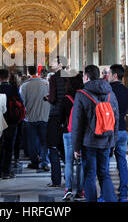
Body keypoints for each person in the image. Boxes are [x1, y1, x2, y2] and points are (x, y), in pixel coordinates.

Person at [71, 65, 120, 202]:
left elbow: (77, 123)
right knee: (105, 174)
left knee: (90, 175)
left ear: (86, 76)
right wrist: (113, 141)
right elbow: (116, 118)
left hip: (89, 142)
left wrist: (75, 147)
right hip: (106, 140)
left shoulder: (81, 94)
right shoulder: (110, 93)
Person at [59, 72, 85, 201]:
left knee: (68, 162)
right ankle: (80, 190)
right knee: (80, 163)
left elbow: (60, 118)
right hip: (82, 133)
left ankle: (68, 188)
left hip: (68, 133)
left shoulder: (65, 99)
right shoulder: (85, 96)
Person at [19, 65, 50, 171]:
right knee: (44, 141)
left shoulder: (25, 86)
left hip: (30, 117)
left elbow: (22, 102)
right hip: (44, 116)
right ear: (37, 72)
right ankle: (45, 162)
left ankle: (35, 162)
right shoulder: (46, 83)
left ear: (28, 72)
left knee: (32, 142)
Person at [107, 64, 128, 202]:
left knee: (104, 164)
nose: (108, 75)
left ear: (115, 75)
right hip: (122, 129)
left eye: (109, 73)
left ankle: (106, 194)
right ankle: (124, 194)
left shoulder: (109, 90)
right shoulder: (127, 91)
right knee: (122, 162)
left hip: (110, 130)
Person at [46, 56, 68, 187]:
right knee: (66, 149)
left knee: (53, 147)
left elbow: (53, 98)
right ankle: (69, 177)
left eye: (53, 61)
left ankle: (56, 180)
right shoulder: (71, 76)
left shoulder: (54, 78)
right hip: (68, 116)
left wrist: (48, 98)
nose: (51, 63)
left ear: (60, 64)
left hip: (55, 115)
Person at [0, 69, 21, 179]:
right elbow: (20, 102)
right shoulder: (13, 88)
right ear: (8, 77)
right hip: (11, 120)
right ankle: (6, 171)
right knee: (9, 146)